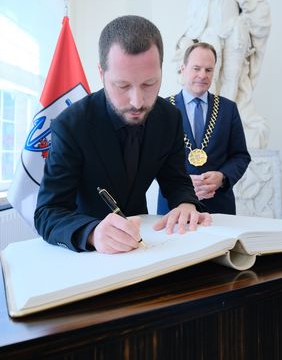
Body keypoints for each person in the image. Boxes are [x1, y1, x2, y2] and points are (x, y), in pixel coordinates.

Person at [34, 15, 212, 254]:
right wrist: (92, 233)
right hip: (88, 257)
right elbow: (48, 213)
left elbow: (176, 180)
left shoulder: (169, 117)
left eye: (149, 84)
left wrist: (185, 203)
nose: (137, 102)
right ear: (101, 73)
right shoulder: (71, 125)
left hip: (145, 246)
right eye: (122, 86)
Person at [174, 0, 271, 148]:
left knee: (232, 77)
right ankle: (212, 122)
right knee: (211, 78)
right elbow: (193, 27)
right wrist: (186, 42)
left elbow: (258, 11)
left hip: (236, 38)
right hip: (211, 40)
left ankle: (227, 120)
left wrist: (244, 19)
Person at [157, 42, 251, 215]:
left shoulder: (228, 109)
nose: (202, 75)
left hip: (219, 207)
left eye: (208, 70)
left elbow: (240, 156)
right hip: (173, 206)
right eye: (196, 68)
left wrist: (222, 177)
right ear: (183, 68)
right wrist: (179, 182)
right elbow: (152, 158)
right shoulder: (162, 108)